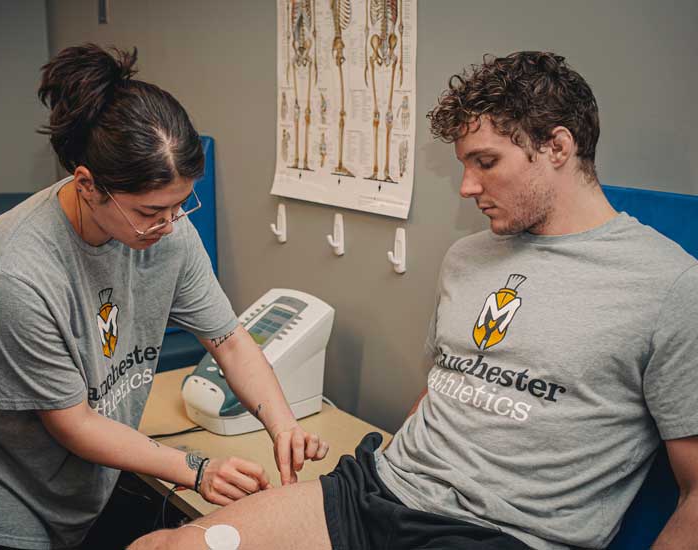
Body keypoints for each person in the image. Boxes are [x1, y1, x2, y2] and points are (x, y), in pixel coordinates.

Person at [130, 51, 698, 550]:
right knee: (166, 545)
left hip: (499, 534)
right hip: (379, 490)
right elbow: (443, 387)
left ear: (557, 146)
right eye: (464, 165)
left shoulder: (667, 286)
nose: (467, 187)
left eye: (486, 161)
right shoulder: (468, 257)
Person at [0, 43, 330, 549]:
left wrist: (282, 424)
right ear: (86, 184)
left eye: (180, 204)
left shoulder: (168, 231)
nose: (171, 224)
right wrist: (196, 470)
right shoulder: (12, 273)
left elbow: (231, 341)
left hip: (81, 474)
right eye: (152, 210)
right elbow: (74, 424)